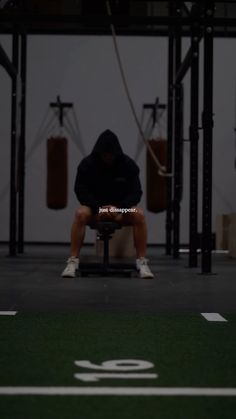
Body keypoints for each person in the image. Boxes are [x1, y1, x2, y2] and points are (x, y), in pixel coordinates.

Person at [61, 129, 154, 279]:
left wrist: (118, 209)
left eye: (111, 155)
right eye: (105, 155)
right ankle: (72, 262)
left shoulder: (128, 165)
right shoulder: (87, 165)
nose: (108, 158)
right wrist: (98, 208)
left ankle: (142, 262)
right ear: (99, 153)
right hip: (95, 211)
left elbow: (136, 192)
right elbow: (80, 190)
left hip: (120, 210)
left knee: (139, 215)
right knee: (80, 214)